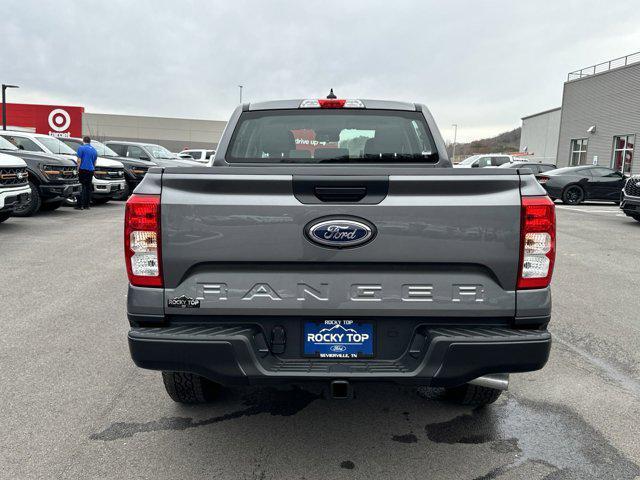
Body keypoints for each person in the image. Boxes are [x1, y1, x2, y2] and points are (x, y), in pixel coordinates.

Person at [75, 136, 98, 210]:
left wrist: (77, 169)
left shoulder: (81, 148)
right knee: (88, 188)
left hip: (82, 169)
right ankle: (87, 205)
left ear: (83, 141)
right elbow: (94, 162)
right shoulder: (94, 150)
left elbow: (79, 160)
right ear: (90, 141)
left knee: (81, 186)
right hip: (91, 170)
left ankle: (80, 205)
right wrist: (93, 169)